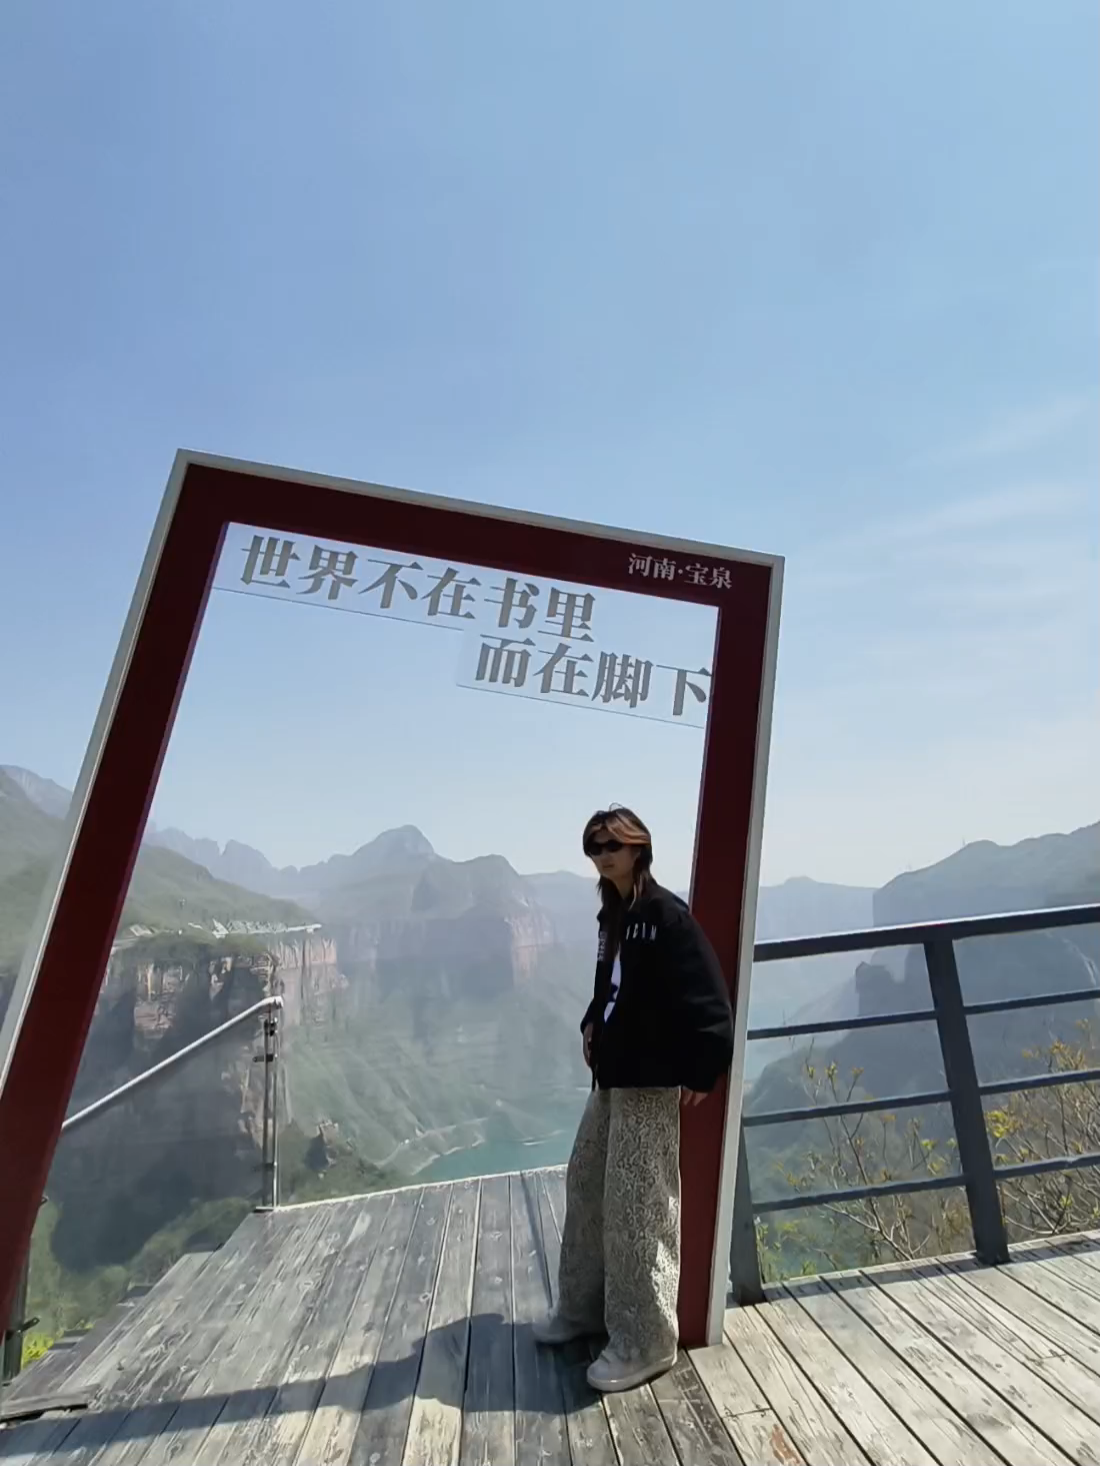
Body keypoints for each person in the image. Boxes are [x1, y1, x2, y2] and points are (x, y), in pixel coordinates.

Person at [533, 805, 734, 1393]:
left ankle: (646, 1340)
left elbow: (708, 997)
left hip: (649, 1080)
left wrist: (702, 1069)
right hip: (614, 1076)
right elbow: (613, 987)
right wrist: (591, 1021)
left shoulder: (666, 915)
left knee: (638, 1206)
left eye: (612, 845)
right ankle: (585, 1308)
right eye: (594, 846)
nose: (602, 855)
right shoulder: (615, 913)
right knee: (587, 1182)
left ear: (638, 848)